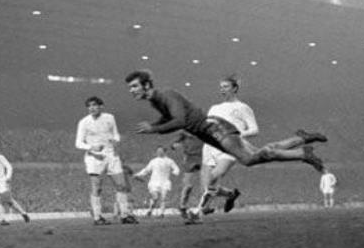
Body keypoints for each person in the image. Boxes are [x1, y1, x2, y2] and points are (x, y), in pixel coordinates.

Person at [124, 70, 327, 186]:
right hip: (213, 133)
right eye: (130, 87)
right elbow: (169, 118)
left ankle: (303, 153)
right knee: (257, 154)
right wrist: (155, 125)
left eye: (134, 86)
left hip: (217, 130)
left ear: (147, 85)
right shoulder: (156, 101)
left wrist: (155, 129)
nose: (131, 90)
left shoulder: (166, 95)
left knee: (249, 159)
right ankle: (302, 142)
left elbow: (179, 121)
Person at [196, 74, 260, 216]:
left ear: (235, 88)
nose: (222, 89)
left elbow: (254, 129)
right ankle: (230, 194)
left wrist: (236, 136)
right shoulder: (214, 108)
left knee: (215, 176)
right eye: (221, 87)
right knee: (206, 185)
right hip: (210, 146)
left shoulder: (243, 107)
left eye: (225, 87)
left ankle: (196, 214)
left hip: (230, 147)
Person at [75, 96, 138, 225]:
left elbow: (116, 134)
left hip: (111, 155)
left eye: (94, 105)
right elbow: (78, 143)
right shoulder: (84, 122)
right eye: (89, 106)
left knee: (121, 185)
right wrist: (91, 147)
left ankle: (125, 215)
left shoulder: (110, 118)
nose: (91, 108)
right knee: (97, 187)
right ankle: (97, 217)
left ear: (101, 106)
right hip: (95, 158)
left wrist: (116, 140)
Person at [0, 152, 31, 225]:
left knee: (9, 200)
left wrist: (8, 177)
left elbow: (9, 167)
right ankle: (4, 219)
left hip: (1, 181)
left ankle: (23, 213)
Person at [134, 146, 180, 218]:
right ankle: (150, 210)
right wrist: (138, 174)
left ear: (164, 152)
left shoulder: (169, 161)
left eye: (161, 151)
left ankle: (161, 214)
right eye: (158, 151)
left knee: (163, 198)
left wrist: (175, 172)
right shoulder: (153, 161)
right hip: (154, 182)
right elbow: (146, 170)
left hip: (165, 182)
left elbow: (176, 168)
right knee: (155, 197)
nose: (159, 152)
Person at [170, 130, 204, 219]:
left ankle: (205, 206)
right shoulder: (184, 131)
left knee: (208, 184)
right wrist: (174, 145)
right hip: (189, 159)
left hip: (203, 158)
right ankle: (182, 206)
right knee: (188, 186)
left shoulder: (203, 129)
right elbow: (174, 143)